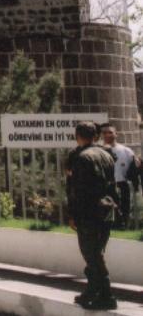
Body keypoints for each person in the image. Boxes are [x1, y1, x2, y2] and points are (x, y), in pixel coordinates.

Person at [67, 120, 118, 310]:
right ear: (95, 136)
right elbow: (113, 184)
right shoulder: (106, 155)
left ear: (78, 136)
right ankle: (91, 290)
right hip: (106, 209)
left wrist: (72, 214)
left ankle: (106, 294)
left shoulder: (81, 158)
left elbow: (77, 191)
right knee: (96, 251)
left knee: (92, 254)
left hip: (89, 212)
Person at [99, 124, 134, 228]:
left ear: (116, 134)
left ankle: (123, 226)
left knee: (123, 208)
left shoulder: (126, 151)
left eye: (110, 132)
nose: (107, 135)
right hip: (105, 185)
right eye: (104, 133)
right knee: (106, 209)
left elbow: (133, 168)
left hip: (122, 184)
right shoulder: (98, 150)